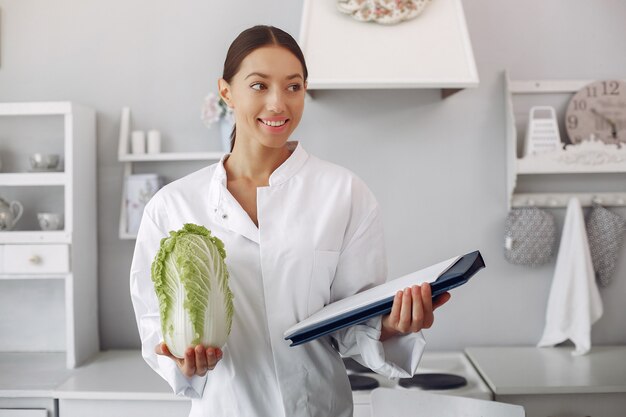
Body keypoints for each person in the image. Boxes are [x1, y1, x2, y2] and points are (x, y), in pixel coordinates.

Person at [130, 24, 450, 417]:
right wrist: (180, 360)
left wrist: (394, 325)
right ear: (226, 91)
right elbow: (155, 324)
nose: (278, 104)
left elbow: (353, 324)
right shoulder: (173, 205)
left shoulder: (344, 193)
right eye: (259, 86)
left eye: (293, 87)